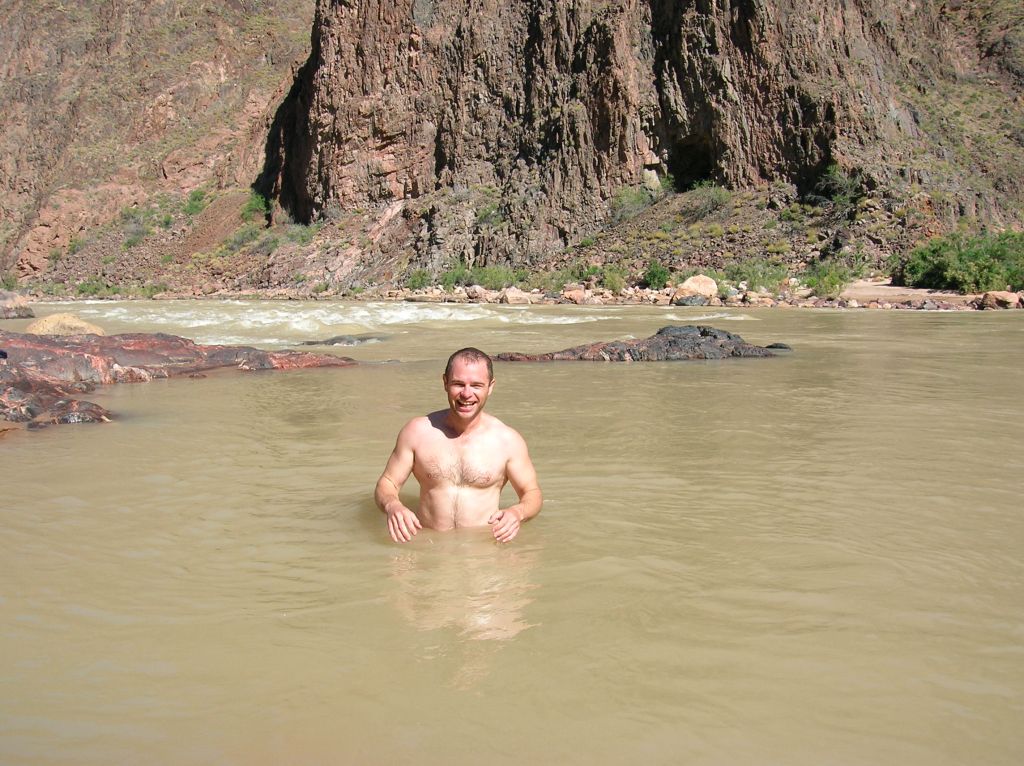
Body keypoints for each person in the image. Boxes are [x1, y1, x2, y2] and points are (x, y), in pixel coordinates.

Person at [374, 347, 542, 543]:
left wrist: (517, 513)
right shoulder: (417, 432)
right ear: (445, 382)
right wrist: (393, 506)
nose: (467, 394)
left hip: (483, 553)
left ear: (491, 386)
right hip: (427, 548)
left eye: (477, 385)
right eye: (458, 384)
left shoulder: (507, 441)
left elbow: (532, 493)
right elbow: (387, 484)